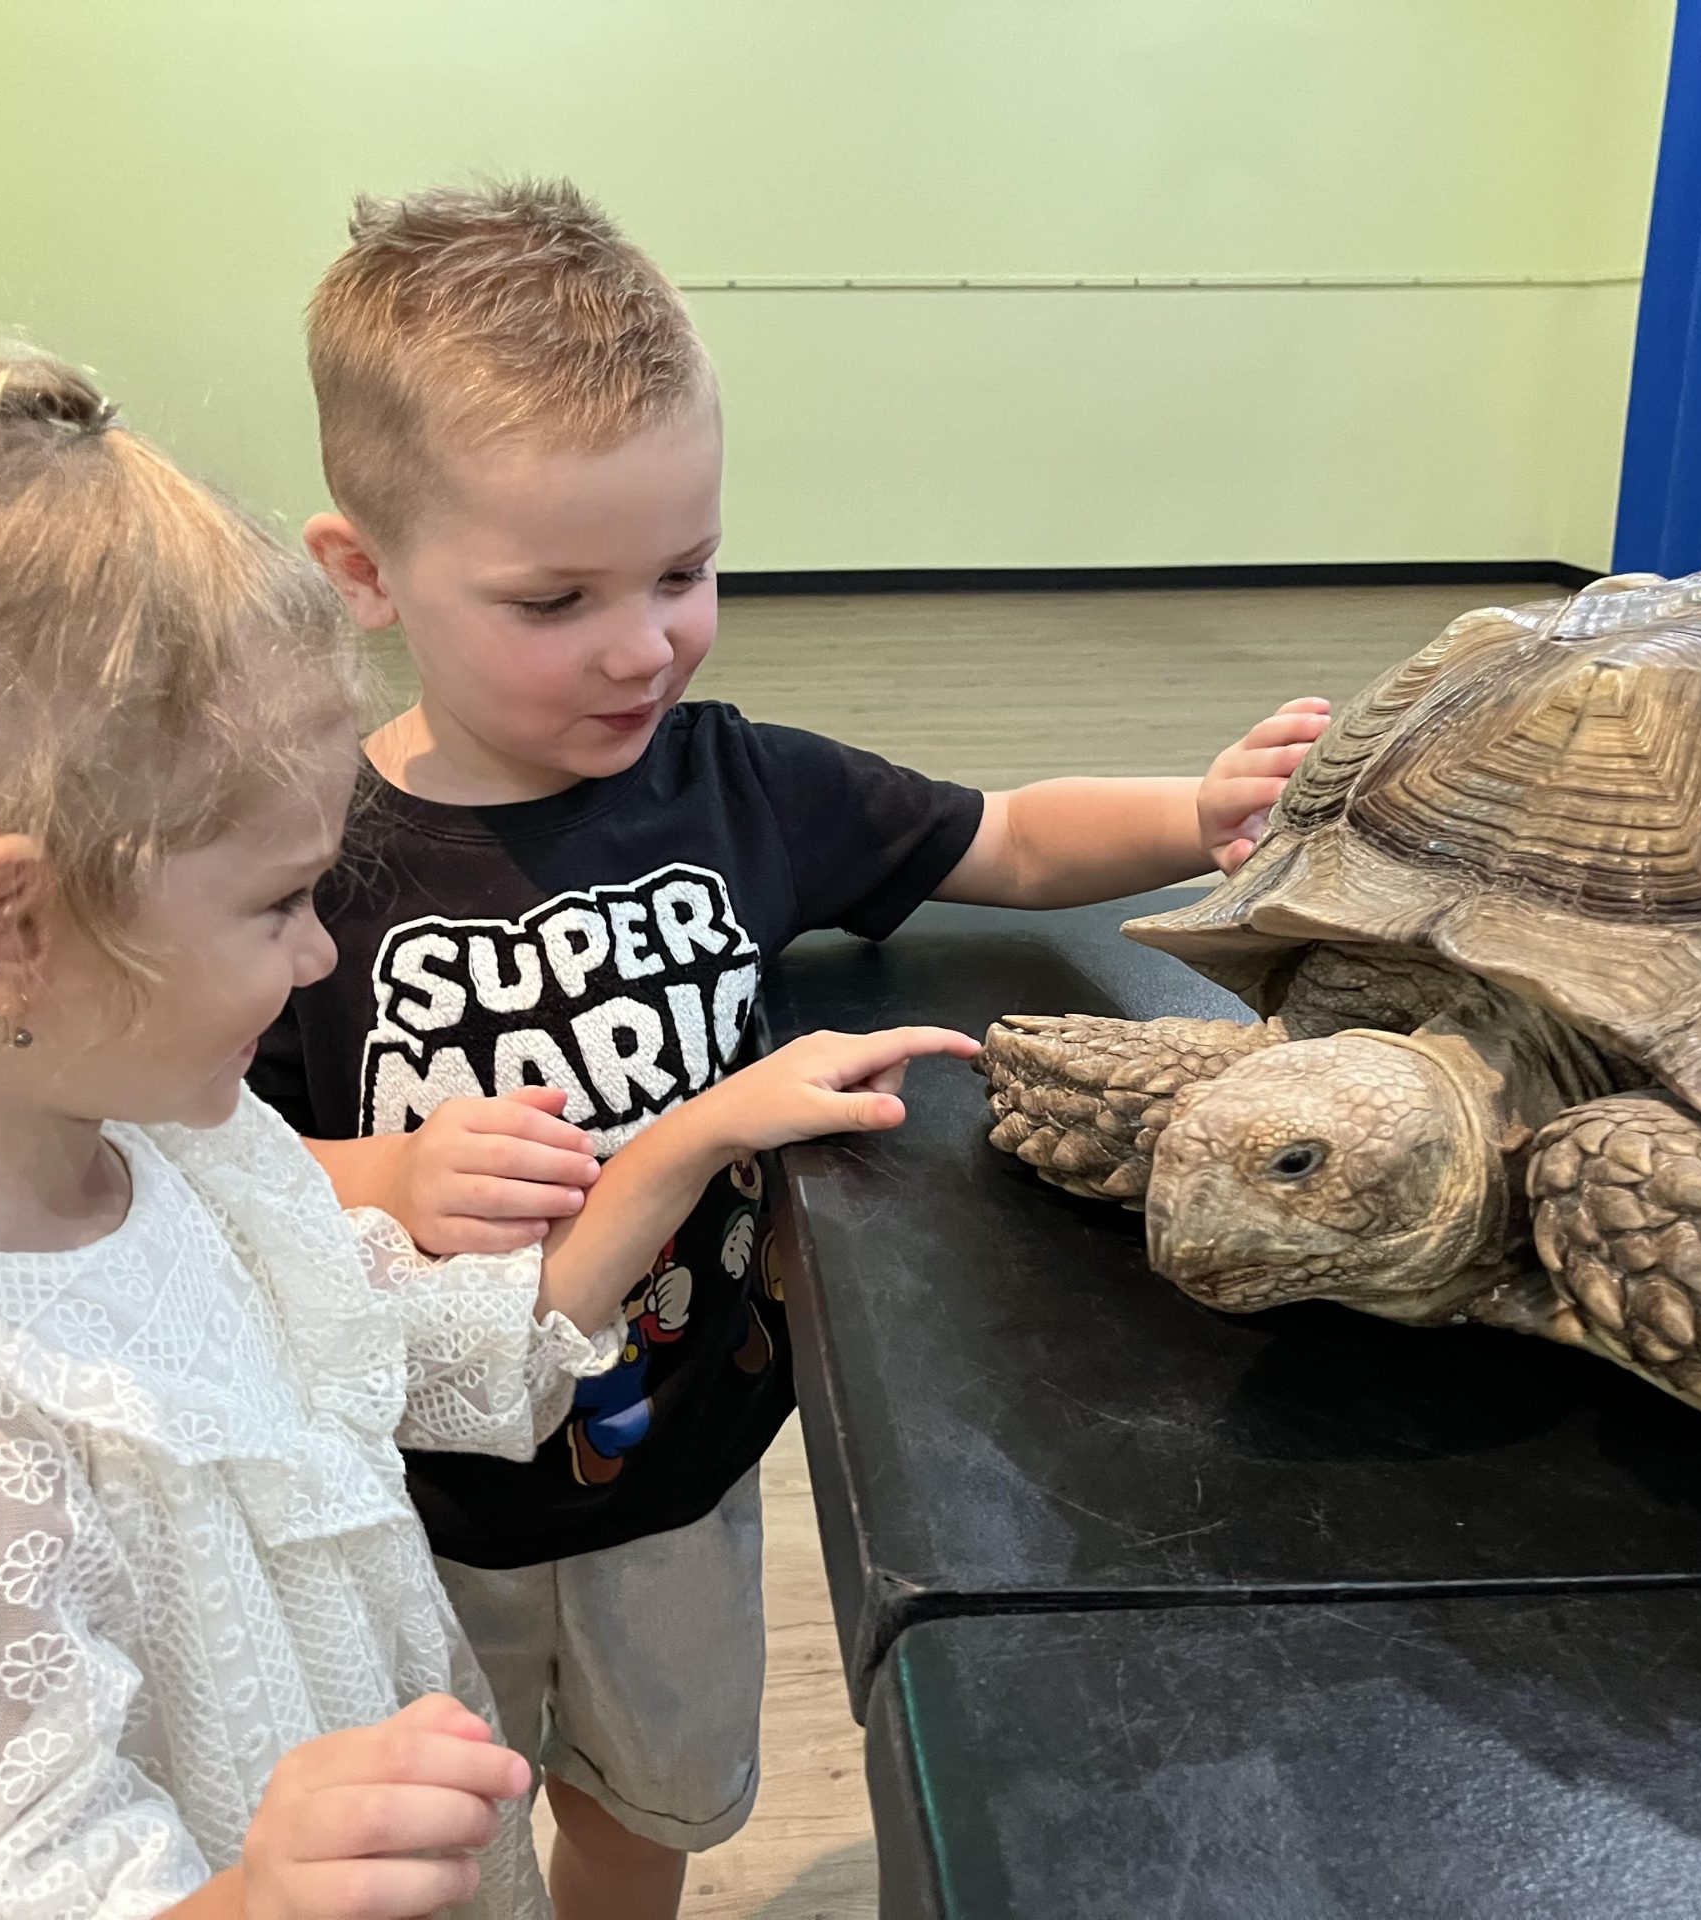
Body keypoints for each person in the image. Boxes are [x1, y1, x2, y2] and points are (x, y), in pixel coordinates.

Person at [0, 292, 972, 1920]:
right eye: (277, 906)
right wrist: (250, 1897)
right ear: (12, 935)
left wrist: (691, 1138)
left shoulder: (180, 1161)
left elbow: (442, 1351)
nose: (321, 954)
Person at [264, 178, 1331, 1918]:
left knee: (648, 1811)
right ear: (366, 574)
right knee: (438, 1852)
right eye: (555, 598)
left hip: (685, 1482)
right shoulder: (302, 856)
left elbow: (1000, 835)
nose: (644, 645)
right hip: (412, 1505)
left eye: (683, 573)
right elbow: (183, 1169)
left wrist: (1191, 808)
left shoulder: (738, 783)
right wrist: (382, 1170)